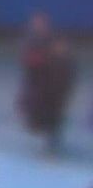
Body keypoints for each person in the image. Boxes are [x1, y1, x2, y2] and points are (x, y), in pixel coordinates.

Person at [18, 11, 76, 154]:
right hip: (41, 87)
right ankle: (48, 138)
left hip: (54, 89)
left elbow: (68, 71)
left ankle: (52, 143)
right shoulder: (32, 41)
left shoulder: (54, 42)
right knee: (40, 116)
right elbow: (29, 62)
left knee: (53, 117)